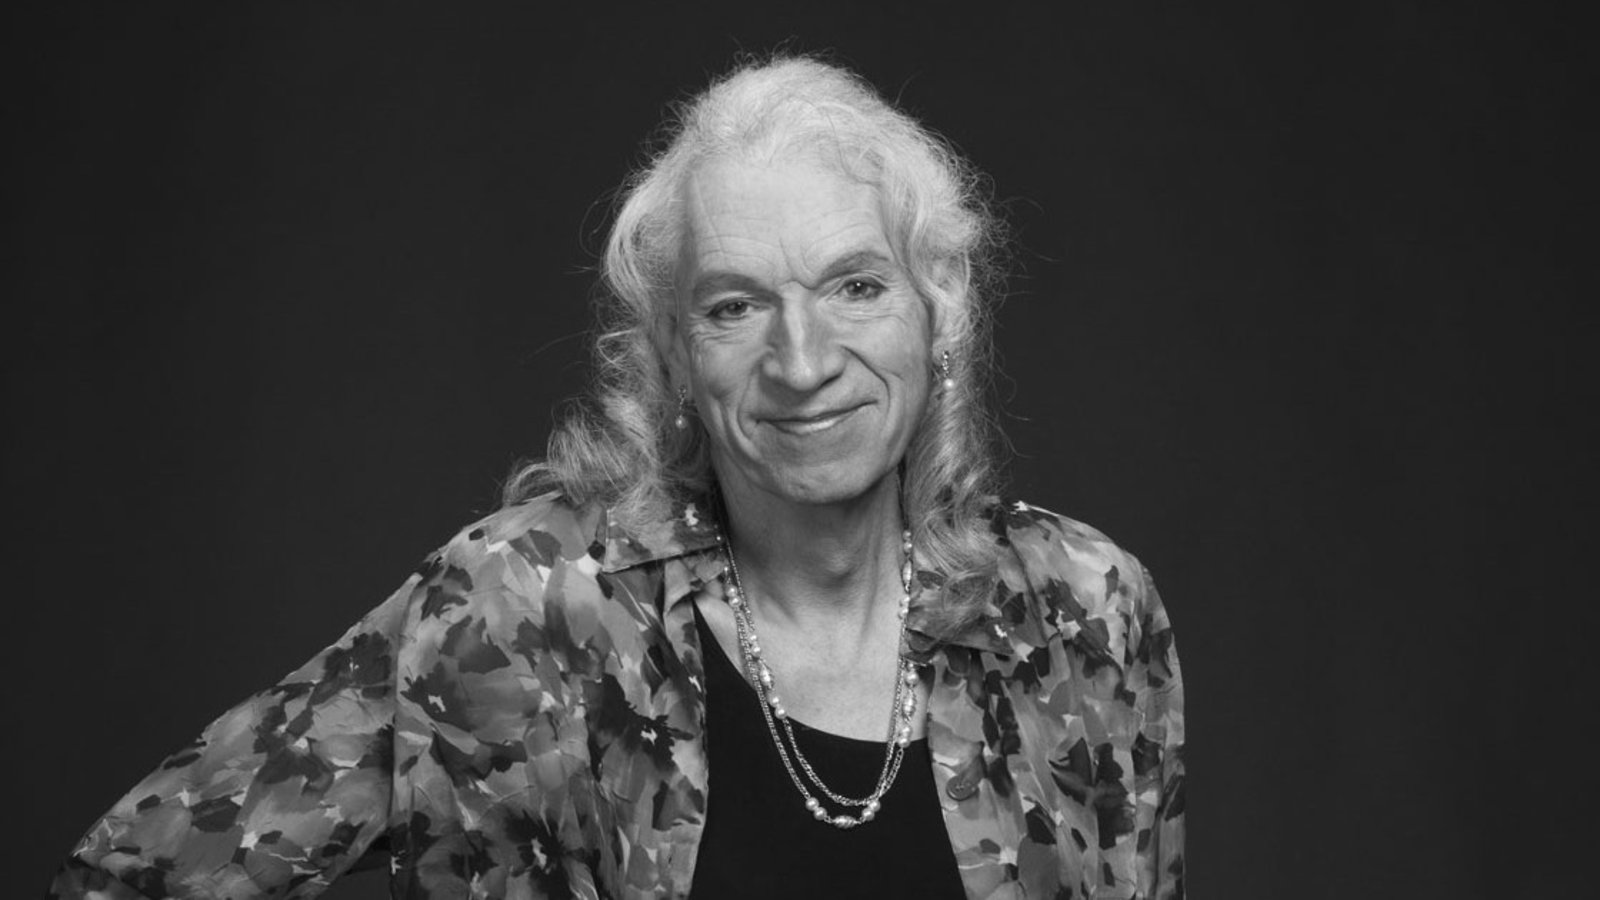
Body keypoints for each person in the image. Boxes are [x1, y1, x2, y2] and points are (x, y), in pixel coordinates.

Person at [49, 55, 1185, 899]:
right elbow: (130, 876)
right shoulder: (526, 604)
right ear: (675, 359)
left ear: (938, 318)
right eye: (735, 306)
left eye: (855, 286)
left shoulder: (1084, 615)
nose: (801, 362)